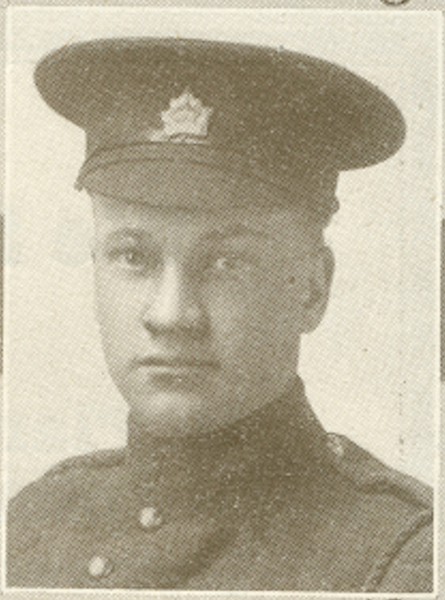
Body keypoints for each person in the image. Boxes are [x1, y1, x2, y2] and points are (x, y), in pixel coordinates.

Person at [7, 38, 433, 592]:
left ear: (311, 289)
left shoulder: (400, 556)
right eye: (133, 256)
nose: (171, 315)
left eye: (226, 262)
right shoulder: (34, 523)